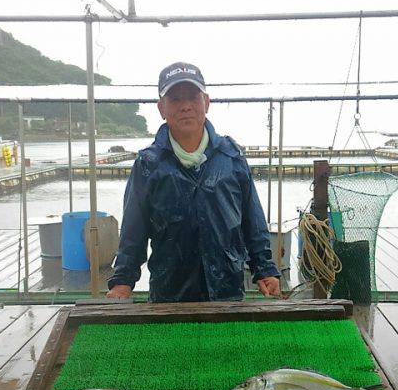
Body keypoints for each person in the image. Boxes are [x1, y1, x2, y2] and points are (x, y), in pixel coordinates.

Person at [107, 62, 280, 302]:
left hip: (226, 290)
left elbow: (253, 220)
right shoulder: (148, 165)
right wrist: (123, 281)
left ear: (206, 103)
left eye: (193, 97)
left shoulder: (232, 157)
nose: (186, 106)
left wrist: (264, 267)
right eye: (176, 99)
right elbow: (133, 231)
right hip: (169, 293)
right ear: (161, 108)